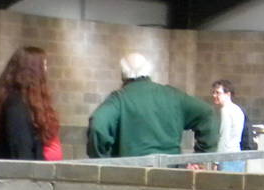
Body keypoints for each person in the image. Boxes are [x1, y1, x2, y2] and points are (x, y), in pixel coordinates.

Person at [86, 52, 218, 158]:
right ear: (148, 70)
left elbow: (98, 124)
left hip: (132, 174)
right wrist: (201, 156)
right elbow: (207, 113)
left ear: (122, 74)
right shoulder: (173, 96)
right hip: (172, 174)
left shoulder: (119, 99)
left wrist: (101, 159)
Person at [0, 45, 61, 160]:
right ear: (33, 71)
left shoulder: (23, 103)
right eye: (44, 65)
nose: (46, 70)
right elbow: (22, 155)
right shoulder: (16, 106)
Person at [211, 78, 246, 172]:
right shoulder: (238, 109)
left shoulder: (225, 110)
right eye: (213, 92)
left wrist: (216, 161)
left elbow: (224, 137)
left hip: (227, 159)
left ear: (228, 94)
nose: (214, 95)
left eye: (218, 92)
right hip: (238, 156)